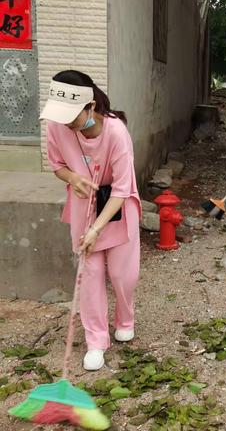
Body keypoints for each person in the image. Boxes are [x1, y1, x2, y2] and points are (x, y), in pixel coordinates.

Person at [41, 70, 141, 371]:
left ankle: (125, 317)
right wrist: (73, 178)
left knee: (124, 274)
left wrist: (97, 228)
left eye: (73, 116)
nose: (67, 123)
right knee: (90, 276)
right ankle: (96, 340)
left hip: (116, 206)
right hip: (84, 203)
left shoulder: (116, 132)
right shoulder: (56, 127)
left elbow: (122, 189)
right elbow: (57, 164)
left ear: (91, 107)